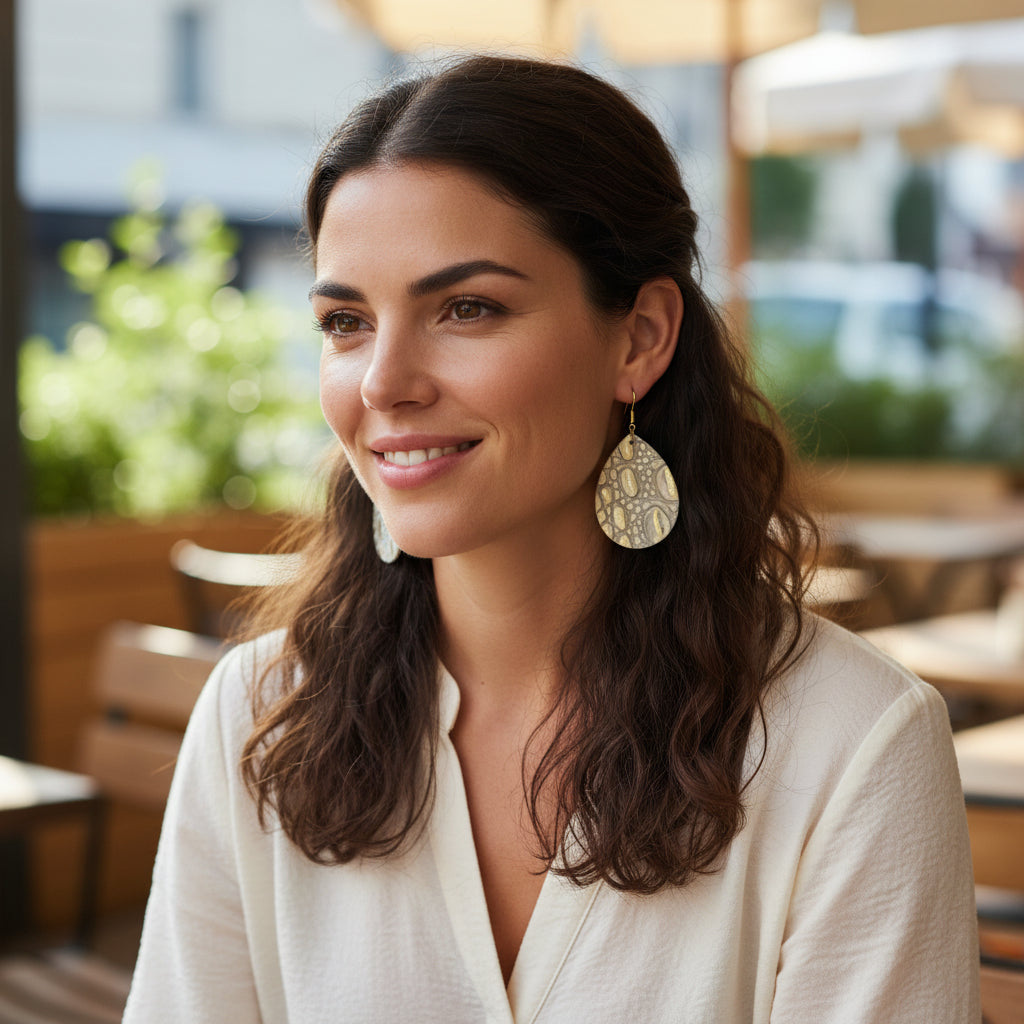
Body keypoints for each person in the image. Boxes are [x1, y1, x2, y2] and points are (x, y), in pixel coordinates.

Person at [123, 55, 979, 1023]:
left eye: (467, 308)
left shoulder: (850, 745)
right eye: (346, 320)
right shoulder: (259, 716)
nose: (382, 382)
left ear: (639, 338)